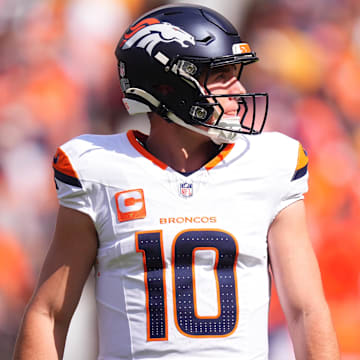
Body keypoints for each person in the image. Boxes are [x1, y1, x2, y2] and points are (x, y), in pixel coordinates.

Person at [13, 4, 340, 360]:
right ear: (168, 86)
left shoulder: (269, 165)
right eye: (221, 75)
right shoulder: (101, 171)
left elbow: (306, 311)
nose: (239, 90)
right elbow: (49, 314)